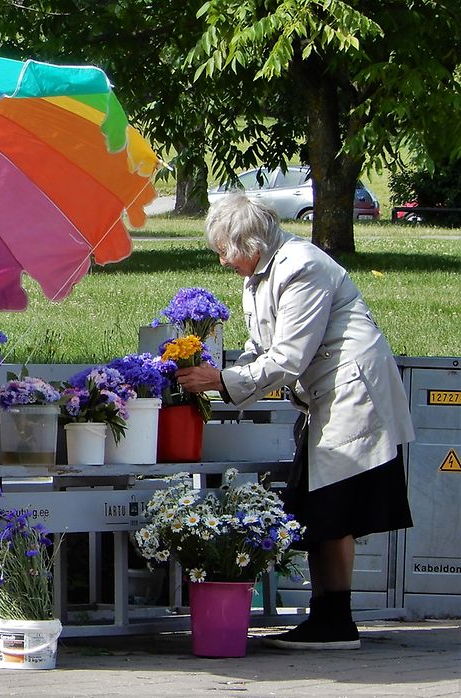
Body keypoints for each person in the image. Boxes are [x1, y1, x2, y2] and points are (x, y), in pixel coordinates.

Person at [177, 192, 415, 650]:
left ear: (250, 244)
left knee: (334, 509)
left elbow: (287, 358)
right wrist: (220, 374)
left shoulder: (301, 266)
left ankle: (336, 622)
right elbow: (259, 347)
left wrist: (222, 380)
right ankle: (325, 615)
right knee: (317, 508)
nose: (222, 260)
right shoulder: (259, 275)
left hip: (350, 394)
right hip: (325, 397)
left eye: (224, 250)